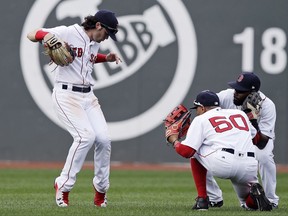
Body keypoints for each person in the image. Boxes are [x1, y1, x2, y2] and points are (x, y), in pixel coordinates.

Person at [27, 9, 122, 207]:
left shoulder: (95, 43)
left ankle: (101, 192)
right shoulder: (68, 32)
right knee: (85, 137)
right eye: (107, 33)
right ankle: (63, 186)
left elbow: (87, 58)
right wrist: (49, 36)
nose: (107, 38)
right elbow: (32, 34)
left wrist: (106, 58)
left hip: (88, 96)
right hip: (66, 94)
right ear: (98, 25)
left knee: (104, 140)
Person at [166, 90, 272, 211]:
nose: (197, 111)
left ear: (202, 108)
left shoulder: (200, 119)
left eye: (197, 108)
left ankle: (202, 200)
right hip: (249, 165)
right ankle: (255, 197)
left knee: (195, 150)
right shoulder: (239, 114)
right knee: (247, 204)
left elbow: (187, 152)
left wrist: (174, 140)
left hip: (223, 163)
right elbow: (257, 139)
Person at [204, 72, 279, 209]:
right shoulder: (227, 95)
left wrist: (253, 120)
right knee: (201, 149)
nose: (235, 93)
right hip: (232, 139)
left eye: (240, 91)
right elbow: (207, 104)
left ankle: (271, 199)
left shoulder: (267, 106)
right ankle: (214, 197)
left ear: (252, 93)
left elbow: (262, 143)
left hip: (255, 140)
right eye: (236, 88)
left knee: (264, 156)